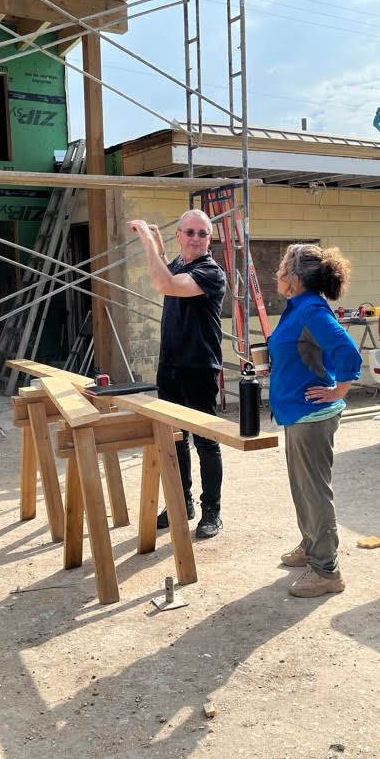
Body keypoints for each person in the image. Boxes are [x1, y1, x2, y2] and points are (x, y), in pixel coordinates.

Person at [269, 244, 362, 597]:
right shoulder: (297, 308)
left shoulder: (310, 310)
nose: (276, 273)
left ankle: (327, 571)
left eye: (280, 268)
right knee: (301, 487)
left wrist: (340, 389)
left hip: (313, 415)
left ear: (294, 278)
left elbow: (347, 351)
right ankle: (312, 546)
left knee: (313, 490)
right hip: (296, 411)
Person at [129, 210, 227, 539]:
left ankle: (211, 510)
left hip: (199, 367)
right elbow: (168, 268)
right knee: (174, 440)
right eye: (191, 232)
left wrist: (145, 239)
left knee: (205, 441)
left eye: (203, 233)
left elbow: (163, 283)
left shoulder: (210, 272)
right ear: (180, 236)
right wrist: (155, 238)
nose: (197, 238)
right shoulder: (180, 264)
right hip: (169, 366)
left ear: (209, 240)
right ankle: (180, 503)